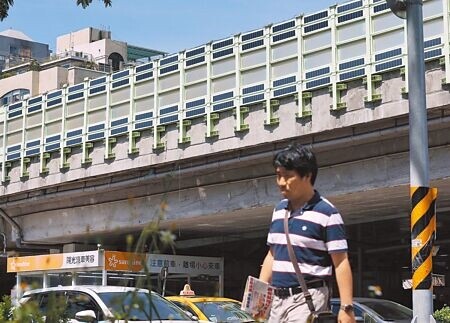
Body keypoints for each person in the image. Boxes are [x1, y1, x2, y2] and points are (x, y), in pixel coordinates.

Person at [259, 143, 355, 323]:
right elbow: (272, 255)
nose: (281, 183)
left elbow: (341, 262)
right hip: (278, 300)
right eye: (278, 176)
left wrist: (346, 307)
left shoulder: (327, 213)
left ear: (307, 175)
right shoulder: (279, 211)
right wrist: (258, 295)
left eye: (288, 176)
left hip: (308, 297)